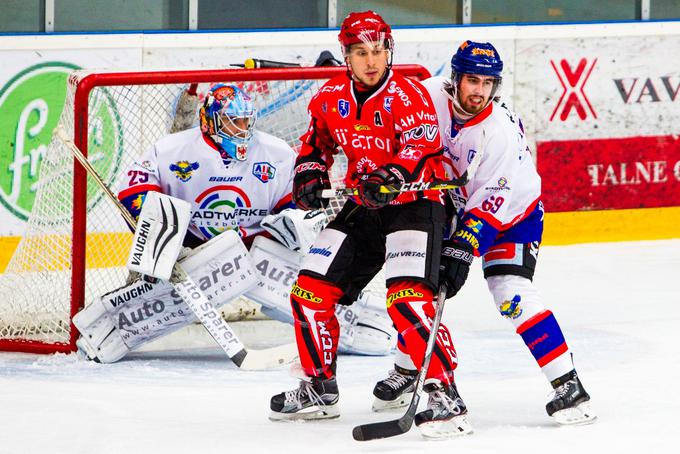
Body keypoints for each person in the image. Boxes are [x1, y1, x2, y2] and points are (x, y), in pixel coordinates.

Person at [73, 83, 394, 363]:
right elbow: (134, 188)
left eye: (246, 121)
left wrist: (292, 223)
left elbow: (293, 201)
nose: (242, 129)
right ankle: (110, 326)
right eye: (233, 121)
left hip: (254, 247)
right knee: (170, 283)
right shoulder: (172, 150)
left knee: (303, 288)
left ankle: (353, 319)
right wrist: (165, 234)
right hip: (190, 251)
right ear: (211, 122)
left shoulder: (275, 151)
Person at [268, 10, 473, 438]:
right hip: (365, 205)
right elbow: (315, 143)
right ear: (346, 54)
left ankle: (443, 392)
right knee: (309, 291)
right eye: (361, 52)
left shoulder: (409, 94)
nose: (371, 60)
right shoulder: (328, 97)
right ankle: (318, 388)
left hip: (416, 203)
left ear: (389, 50)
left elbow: (421, 147)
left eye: (378, 50)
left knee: (406, 298)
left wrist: (390, 176)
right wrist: (309, 172)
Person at [372, 40, 596, 426]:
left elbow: (493, 201)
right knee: (416, 287)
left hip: (513, 215)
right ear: (454, 79)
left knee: (510, 291)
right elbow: (397, 112)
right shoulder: (429, 97)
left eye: (487, 82)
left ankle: (568, 383)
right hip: (451, 204)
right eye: (471, 80)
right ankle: (408, 370)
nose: (479, 90)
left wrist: (462, 250)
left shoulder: (499, 132)